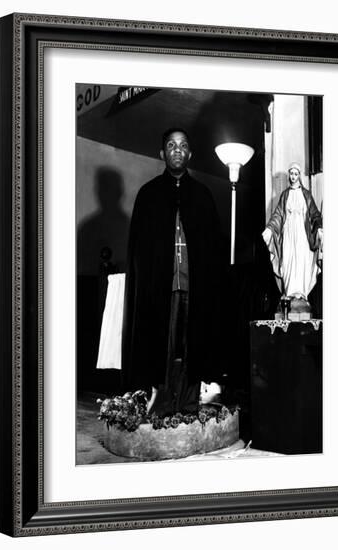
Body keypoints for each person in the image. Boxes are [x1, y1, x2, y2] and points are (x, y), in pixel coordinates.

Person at [122, 128, 224, 415]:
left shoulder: (203, 196)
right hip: (160, 289)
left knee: (192, 348)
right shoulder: (148, 195)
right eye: (171, 145)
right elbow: (140, 251)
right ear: (162, 153)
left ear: (190, 154)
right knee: (163, 349)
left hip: (195, 287)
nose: (177, 149)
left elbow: (213, 250)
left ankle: (191, 404)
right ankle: (161, 405)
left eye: (182, 145)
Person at [262, 162, 323, 308]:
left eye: (296, 174)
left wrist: (319, 228)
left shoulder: (306, 194)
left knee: (301, 260)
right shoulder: (285, 195)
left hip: (302, 233)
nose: (293, 176)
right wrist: (270, 229)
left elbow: (315, 214)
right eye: (291, 174)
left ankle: (300, 294)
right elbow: (278, 215)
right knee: (288, 259)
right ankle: (289, 293)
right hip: (288, 233)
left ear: (299, 176)